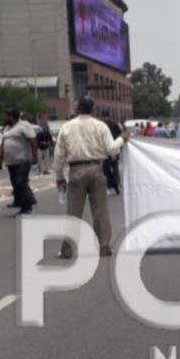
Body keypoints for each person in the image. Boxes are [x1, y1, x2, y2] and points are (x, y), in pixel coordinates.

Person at [54, 97, 129, 258]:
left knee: (74, 213)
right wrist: (122, 139)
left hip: (76, 170)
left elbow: (59, 155)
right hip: (96, 169)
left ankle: (67, 250)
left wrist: (59, 176)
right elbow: (111, 149)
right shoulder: (100, 126)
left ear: (77, 108)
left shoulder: (67, 127)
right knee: (100, 211)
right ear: (92, 110)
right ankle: (103, 247)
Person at [0, 109, 38, 216]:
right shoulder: (7, 128)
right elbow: (3, 144)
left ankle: (27, 208)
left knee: (21, 183)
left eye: (7, 116)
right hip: (11, 162)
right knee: (15, 184)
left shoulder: (24, 125)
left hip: (22, 161)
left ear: (12, 117)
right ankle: (20, 203)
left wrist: (34, 156)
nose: (5, 118)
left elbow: (33, 140)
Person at [100, 109, 123, 194]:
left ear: (102, 115)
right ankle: (117, 183)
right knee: (115, 167)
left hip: (105, 149)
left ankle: (109, 186)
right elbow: (121, 133)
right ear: (109, 114)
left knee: (106, 168)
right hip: (115, 147)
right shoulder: (115, 123)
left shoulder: (101, 125)